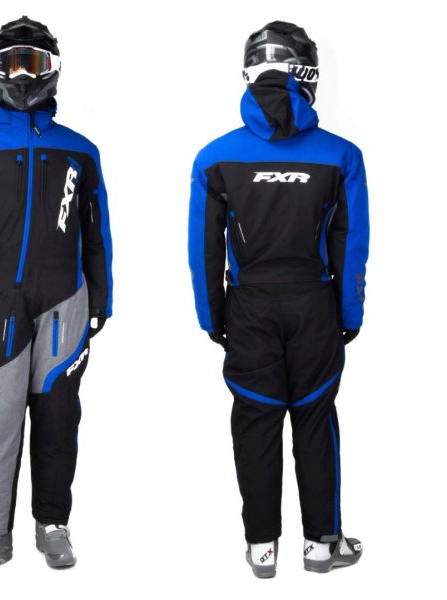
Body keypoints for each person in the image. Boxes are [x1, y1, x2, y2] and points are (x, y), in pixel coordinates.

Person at [188, 21, 367, 578]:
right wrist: (349, 314)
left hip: (248, 310)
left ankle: (262, 548)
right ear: (306, 73)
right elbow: (352, 245)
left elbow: (203, 250)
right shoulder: (342, 156)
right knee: (315, 419)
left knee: (256, 421)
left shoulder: (214, 158)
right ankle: (322, 546)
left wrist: (212, 317)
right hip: (315, 308)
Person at [0, 16, 113, 579]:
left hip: (67, 303)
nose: (21, 75)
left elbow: (97, 230)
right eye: (10, 62)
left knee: (59, 419)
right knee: (0, 421)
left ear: (52, 71)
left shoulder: (80, 151)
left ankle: (52, 525)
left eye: (32, 63)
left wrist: (102, 298)